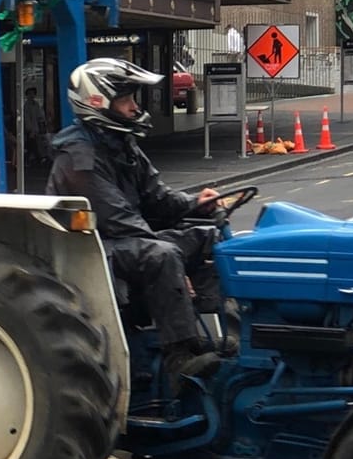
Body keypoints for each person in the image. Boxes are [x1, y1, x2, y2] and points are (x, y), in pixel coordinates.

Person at [46, 58, 224, 382]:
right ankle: (179, 358)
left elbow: (157, 198)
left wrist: (197, 204)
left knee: (211, 237)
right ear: (97, 102)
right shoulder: (79, 156)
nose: (134, 107)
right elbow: (118, 219)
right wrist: (173, 259)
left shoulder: (122, 144)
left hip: (124, 240)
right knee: (163, 255)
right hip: (95, 249)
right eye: (126, 100)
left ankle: (224, 336)